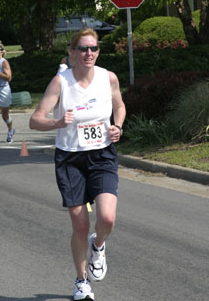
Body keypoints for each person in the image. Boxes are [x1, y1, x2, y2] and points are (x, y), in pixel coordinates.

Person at [29, 28, 126, 300]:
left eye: (93, 48)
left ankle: (99, 245)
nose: (89, 53)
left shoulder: (109, 78)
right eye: (83, 48)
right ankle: (82, 280)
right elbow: (35, 120)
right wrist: (57, 122)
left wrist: (117, 126)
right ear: (72, 52)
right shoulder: (61, 82)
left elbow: (119, 106)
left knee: (107, 217)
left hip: (102, 155)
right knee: (79, 224)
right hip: (70, 158)